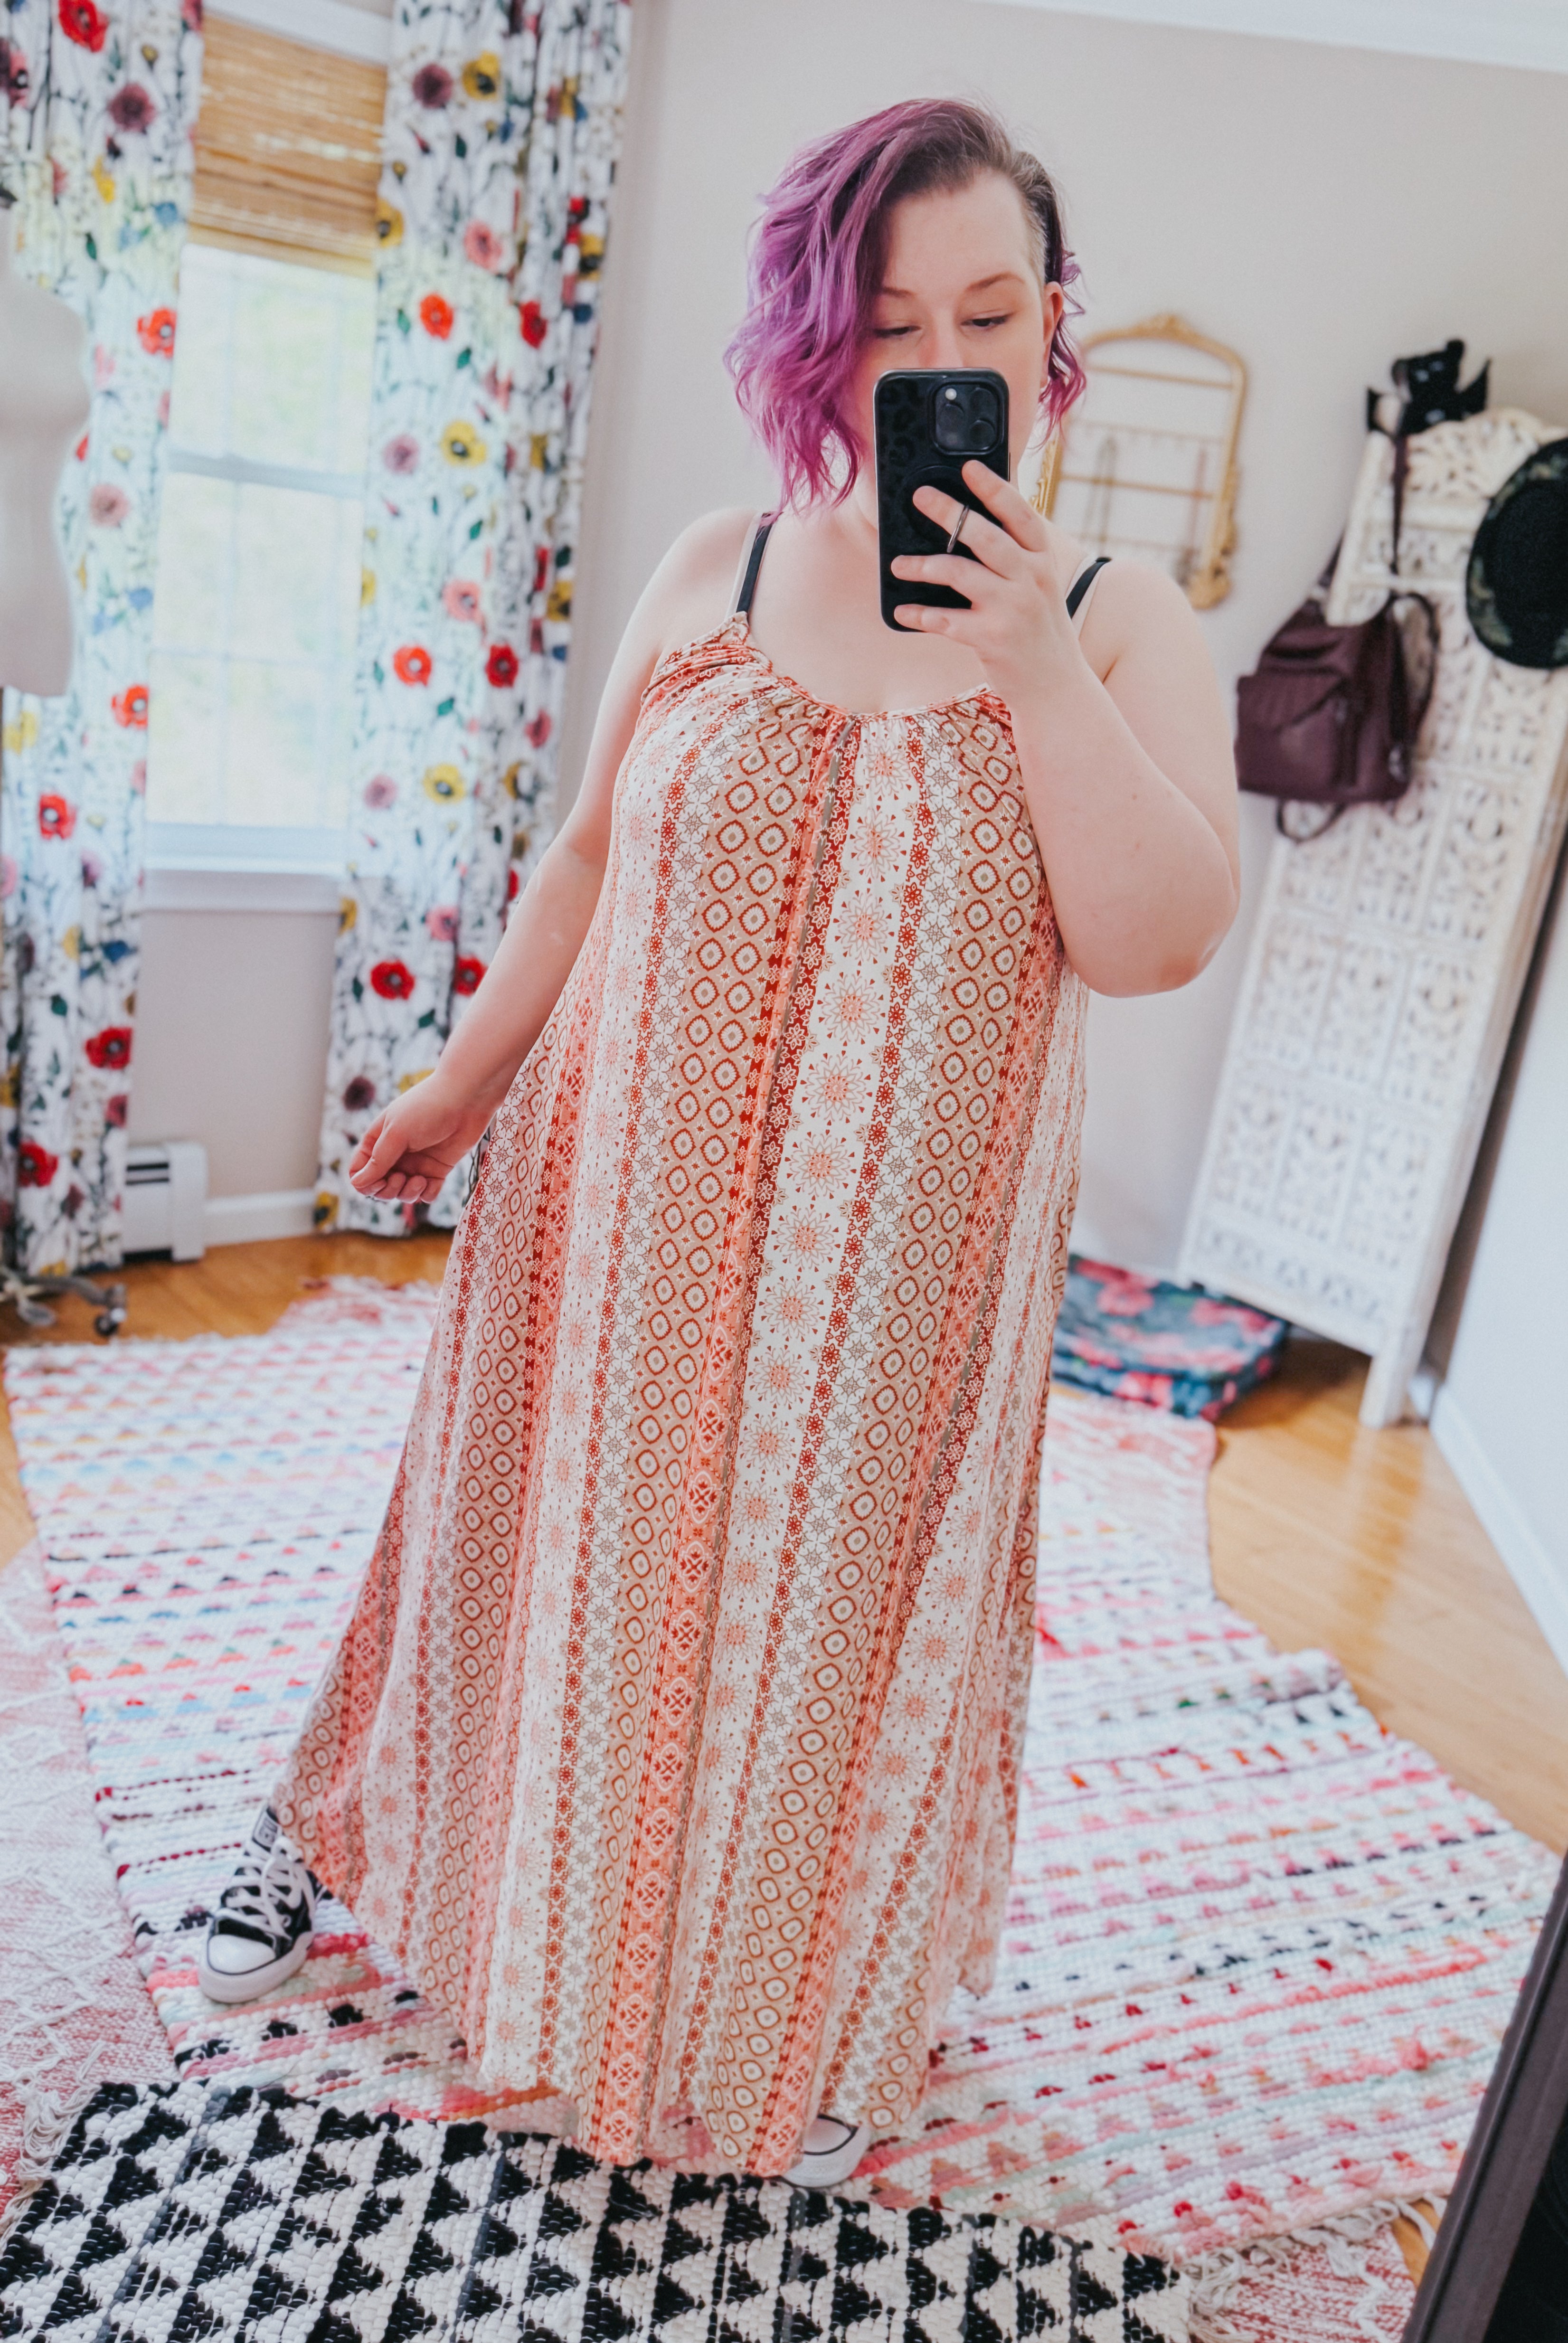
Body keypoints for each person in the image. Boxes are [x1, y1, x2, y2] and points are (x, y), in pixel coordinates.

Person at [198, 98, 1238, 2191]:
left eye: (984, 310)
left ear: (1049, 335)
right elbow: (588, 860)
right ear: (813, 341)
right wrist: (464, 1082)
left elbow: (1153, 934)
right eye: (882, 320)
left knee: (831, 1638)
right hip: (614, 1211)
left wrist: (1028, 656)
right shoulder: (714, 565)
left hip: (894, 1288)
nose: (930, 356)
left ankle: (791, 1984)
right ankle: (350, 1828)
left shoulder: (1120, 620)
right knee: (519, 1553)